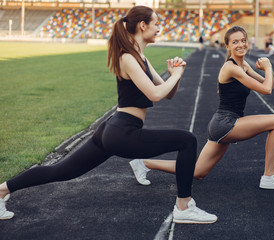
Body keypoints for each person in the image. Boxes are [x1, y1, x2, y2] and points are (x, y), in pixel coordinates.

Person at [0, 6, 217, 224]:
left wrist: (174, 76)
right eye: (156, 23)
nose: (159, 28)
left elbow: (168, 93)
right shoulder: (128, 59)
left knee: (62, 171)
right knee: (187, 140)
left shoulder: (140, 56)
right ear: (143, 25)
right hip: (123, 132)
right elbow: (155, 94)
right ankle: (184, 206)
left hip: (114, 129)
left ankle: (2, 190)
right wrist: (177, 73)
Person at [129, 26, 274, 191]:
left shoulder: (244, 66)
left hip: (222, 124)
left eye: (243, 41)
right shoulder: (231, 68)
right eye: (235, 42)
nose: (241, 45)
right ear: (227, 46)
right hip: (226, 123)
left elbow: (267, 85)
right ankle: (269, 176)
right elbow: (267, 89)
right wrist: (269, 67)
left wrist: (266, 70)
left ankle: (144, 163)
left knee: (198, 171)